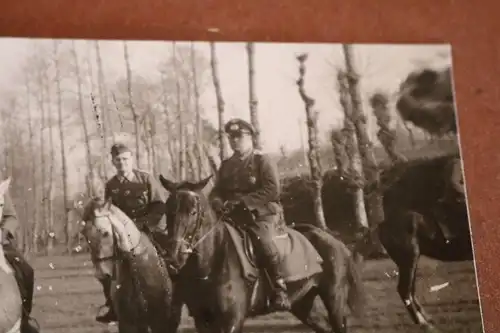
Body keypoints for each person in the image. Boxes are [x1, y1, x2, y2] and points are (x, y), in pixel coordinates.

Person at [208, 118, 291, 312]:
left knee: (264, 241)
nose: (234, 140)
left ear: (250, 138)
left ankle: (280, 288)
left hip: (260, 214)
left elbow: (272, 189)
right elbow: (217, 190)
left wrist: (243, 202)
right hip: (232, 217)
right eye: (231, 137)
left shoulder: (262, 161)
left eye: (239, 136)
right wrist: (217, 201)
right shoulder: (226, 165)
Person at [94, 142, 167, 323]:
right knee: (107, 267)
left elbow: (159, 205)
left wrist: (146, 225)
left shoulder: (146, 179)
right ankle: (112, 304)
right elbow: (107, 211)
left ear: (132, 159)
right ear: (112, 161)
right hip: (121, 235)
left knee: (170, 257)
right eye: (117, 160)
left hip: (148, 230)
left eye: (125, 159)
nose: (122, 163)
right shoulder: (110, 185)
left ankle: (173, 297)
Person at [1, 188, 39, 333]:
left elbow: (11, 217)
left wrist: (3, 234)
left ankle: (24, 317)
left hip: (1, 242)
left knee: (26, 270)